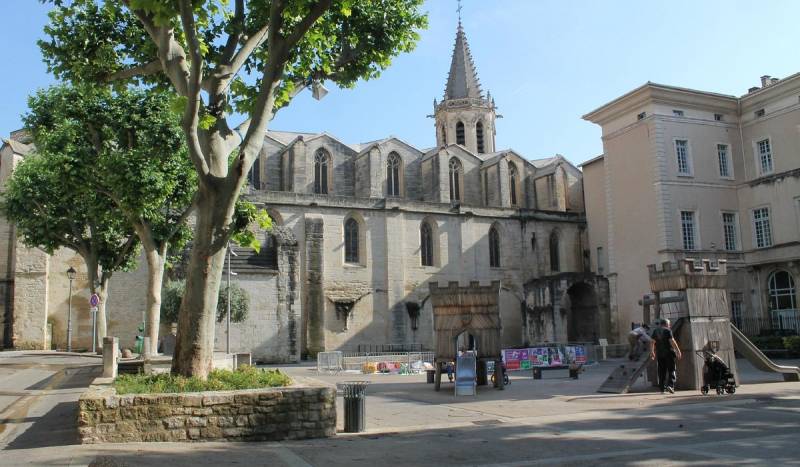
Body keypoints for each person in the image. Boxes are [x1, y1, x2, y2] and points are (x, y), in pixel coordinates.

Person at [650, 318, 682, 393]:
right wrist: (678, 351)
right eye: (669, 324)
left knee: (661, 371)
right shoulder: (668, 330)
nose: (670, 325)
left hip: (660, 354)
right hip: (669, 353)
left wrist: (652, 352)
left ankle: (662, 388)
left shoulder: (655, 331)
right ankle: (670, 386)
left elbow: (652, 342)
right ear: (666, 324)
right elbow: (672, 341)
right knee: (671, 369)